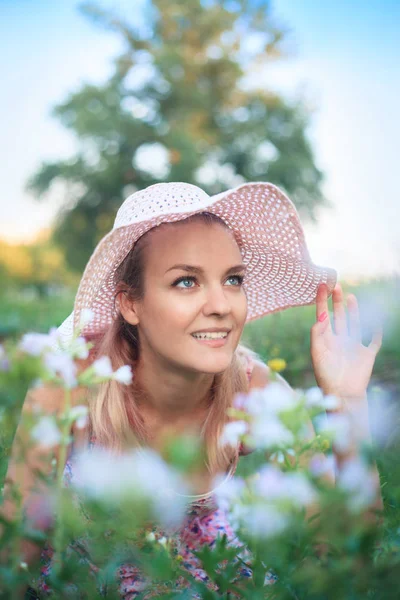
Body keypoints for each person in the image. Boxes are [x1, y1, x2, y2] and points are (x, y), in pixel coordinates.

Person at [2, 181, 382, 598]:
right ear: (131, 303)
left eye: (233, 279)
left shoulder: (254, 392)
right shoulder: (70, 388)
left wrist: (348, 403)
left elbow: (340, 560)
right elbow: (11, 565)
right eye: (186, 282)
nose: (222, 305)